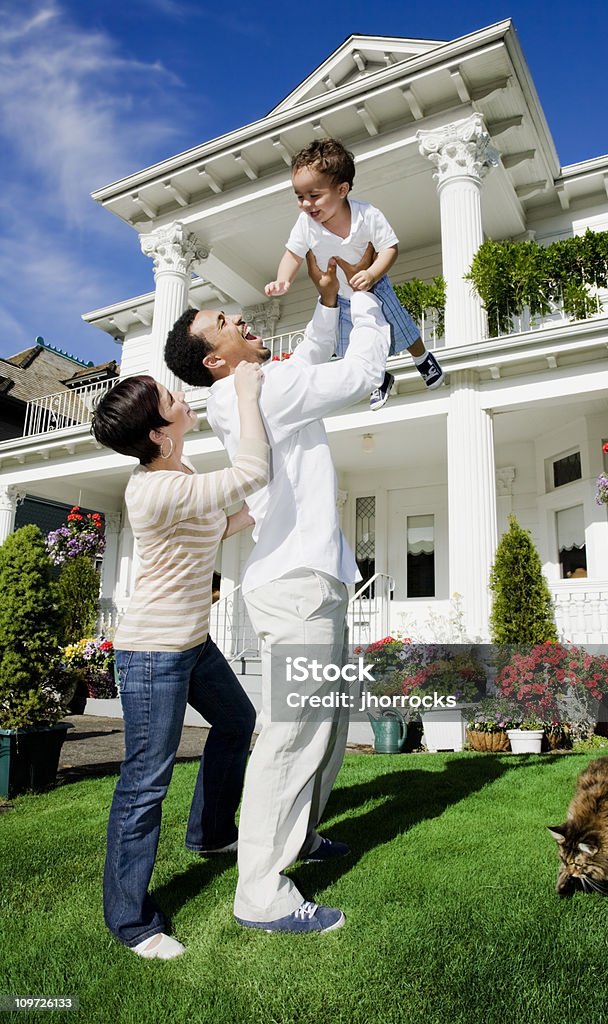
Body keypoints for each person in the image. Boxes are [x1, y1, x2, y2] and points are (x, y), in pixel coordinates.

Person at [164, 254, 391, 934]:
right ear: (214, 360)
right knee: (291, 737)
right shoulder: (258, 393)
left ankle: (300, 839)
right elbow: (354, 374)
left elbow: (312, 359)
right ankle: (260, 892)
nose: (238, 317)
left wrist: (325, 306)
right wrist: (365, 301)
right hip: (294, 586)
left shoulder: (257, 387)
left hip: (308, 580)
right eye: (223, 322)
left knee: (325, 729)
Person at [91, 363, 270, 960]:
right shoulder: (156, 488)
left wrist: (260, 515)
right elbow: (250, 471)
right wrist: (246, 392)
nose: (183, 397)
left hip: (192, 642)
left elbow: (215, 524)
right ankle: (131, 921)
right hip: (152, 652)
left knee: (237, 723)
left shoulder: (182, 474)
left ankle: (212, 834)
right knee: (146, 782)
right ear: (161, 434)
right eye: (174, 399)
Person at [265, 136, 445, 411]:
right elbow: (293, 254)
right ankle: (380, 378)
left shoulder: (367, 215)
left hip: (374, 286)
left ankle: (423, 359)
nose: (305, 204)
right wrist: (283, 279)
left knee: (401, 327)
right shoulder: (305, 225)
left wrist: (372, 274)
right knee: (351, 345)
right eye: (300, 197)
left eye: (314, 196)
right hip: (341, 299)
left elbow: (389, 248)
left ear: (341, 190)